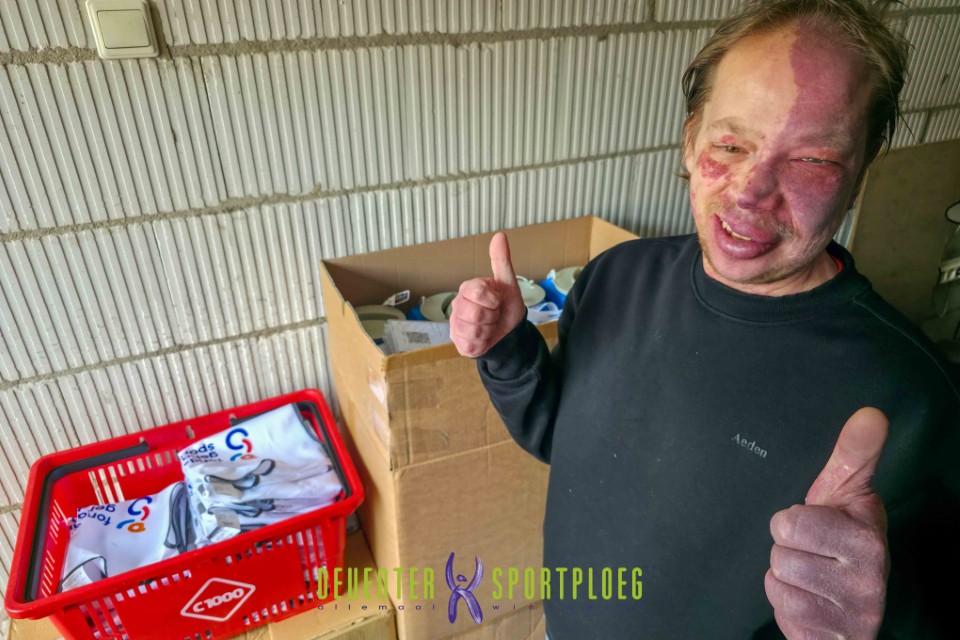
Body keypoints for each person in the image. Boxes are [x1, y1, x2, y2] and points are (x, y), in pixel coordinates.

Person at [449, 0, 960, 638]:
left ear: (859, 172)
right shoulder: (616, 278)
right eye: (730, 144)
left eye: (812, 160)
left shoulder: (918, 401)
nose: (750, 191)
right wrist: (508, 351)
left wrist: (878, 621)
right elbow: (560, 440)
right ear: (691, 139)